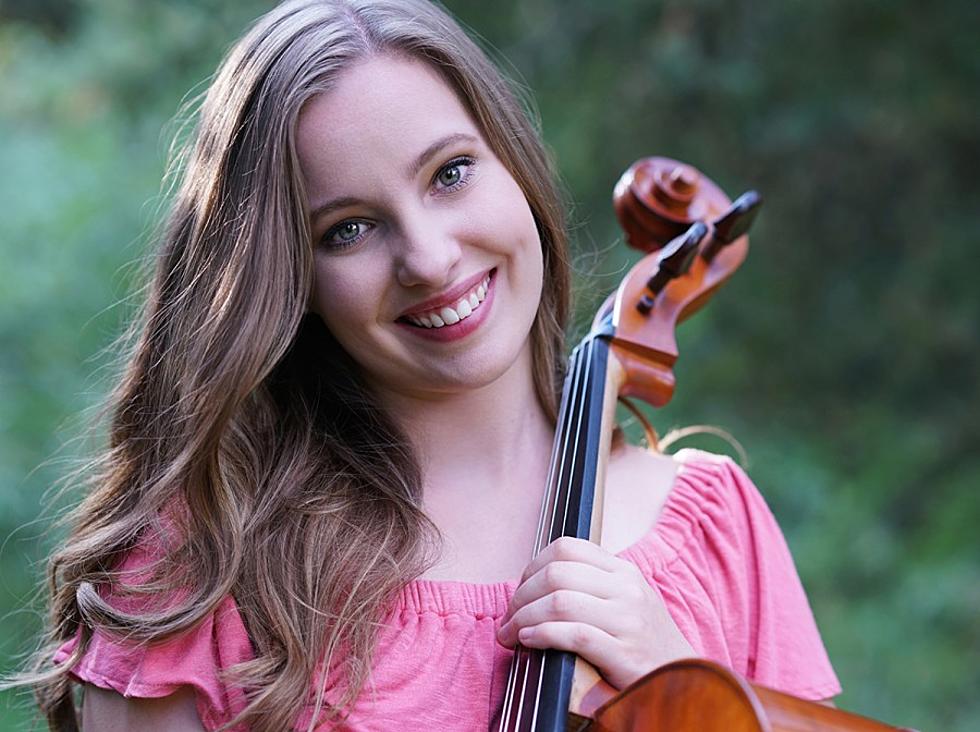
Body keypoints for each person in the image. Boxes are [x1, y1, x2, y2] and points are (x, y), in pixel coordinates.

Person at [15, 0, 841, 729]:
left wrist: (680, 688)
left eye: (450, 174)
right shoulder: (198, 571)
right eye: (348, 229)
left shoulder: (713, 524)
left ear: (516, 162)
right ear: (292, 279)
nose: (430, 258)